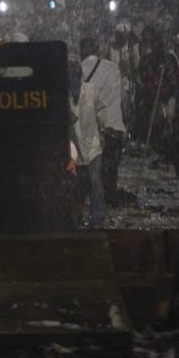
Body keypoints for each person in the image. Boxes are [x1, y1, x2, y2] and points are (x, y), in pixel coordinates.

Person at [80, 37, 128, 207]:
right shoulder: (113, 68)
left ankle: (96, 205)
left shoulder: (81, 70)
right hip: (115, 125)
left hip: (95, 128)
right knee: (111, 167)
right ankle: (111, 198)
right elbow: (123, 97)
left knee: (94, 169)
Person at [67, 54, 107, 229]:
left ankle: (97, 221)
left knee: (95, 182)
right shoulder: (61, 95)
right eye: (70, 70)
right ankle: (74, 219)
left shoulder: (90, 90)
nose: (73, 74)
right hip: (73, 149)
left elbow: (102, 110)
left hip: (92, 146)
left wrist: (105, 128)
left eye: (76, 69)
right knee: (75, 186)